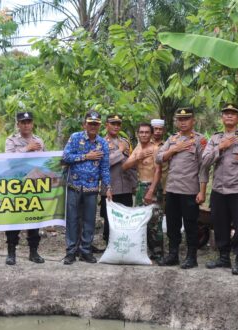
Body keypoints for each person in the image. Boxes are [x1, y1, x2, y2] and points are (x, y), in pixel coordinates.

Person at [200, 103, 238, 275]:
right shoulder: (214, 139)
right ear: (222, 117)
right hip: (219, 190)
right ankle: (224, 257)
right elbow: (204, 163)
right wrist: (221, 147)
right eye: (226, 114)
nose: (229, 116)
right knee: (220, 225)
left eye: (233, 114)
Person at [156, 107, 207, 269]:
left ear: (193, 121)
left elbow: (203, 167)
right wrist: (173, 149)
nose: (183, 122)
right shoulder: (172, 139)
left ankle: (192, 257)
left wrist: (202, 190)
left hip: (190, 190)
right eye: (180, 119)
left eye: (186, 119)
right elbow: (158, 158)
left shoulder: (200, 140)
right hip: (172, 189)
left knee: (191, 225)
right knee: (172, 224)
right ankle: (173, 255)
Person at [62, 110, 112, 265]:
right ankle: (71, 252)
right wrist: (86, 156)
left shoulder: (102, 143)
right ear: (84, 124)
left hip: (91, 188)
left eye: (96, 124)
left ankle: (85, 251)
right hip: (74, 186)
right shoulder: (75, 138)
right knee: (72, 220)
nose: (93, 126)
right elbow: (65, 157)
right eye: (90, 123)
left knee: (89, 221)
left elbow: (104, 167)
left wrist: (108, 187)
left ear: (99, 126)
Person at [4, 111, 46, 265]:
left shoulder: (39, 141)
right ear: (18, 125)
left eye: (29, 122)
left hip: (34, 186)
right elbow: (9, 161)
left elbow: (45, 161)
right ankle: (11, 253)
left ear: (32, 124)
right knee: (14, 220)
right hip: (17, 186)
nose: (26, 125)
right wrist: (27, 148)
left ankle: (34, 252)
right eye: (23, 122)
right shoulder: (11, 140)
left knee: (34, 219)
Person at [123, 123, 163, 260]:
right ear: (138, 134)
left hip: (152, 187)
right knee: (139, 221)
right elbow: (125, 166)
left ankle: (158, 253)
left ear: (151, 134)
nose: (144, 134)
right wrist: (138, 157)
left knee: (154, 222)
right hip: (140, 187)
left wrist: (151, 191)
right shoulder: (137, 149)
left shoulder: (155, 149)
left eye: (147, 132)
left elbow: (158, 171)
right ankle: (142, 251)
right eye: (141, 132)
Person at [100, 113, 136, 245]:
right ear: (106, 125)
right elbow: (103, 164)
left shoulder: (126, 142)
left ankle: (123, 247)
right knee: (110, 221)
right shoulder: (101, 143)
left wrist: (134, 185)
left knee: (125, 220)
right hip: (110, 188)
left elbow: (131, 165)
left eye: (118, 124)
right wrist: (119, 152)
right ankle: (109, 247)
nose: (116, 126)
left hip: (126, 187)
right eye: (113, 123)